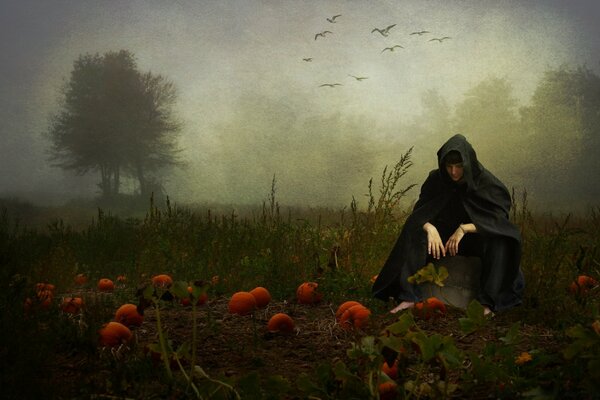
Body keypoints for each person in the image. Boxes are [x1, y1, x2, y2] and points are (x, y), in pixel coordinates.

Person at [372, 134, 524, 315]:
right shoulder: (437, 180)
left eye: (459, 166)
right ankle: (409, 298)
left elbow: (499, 223)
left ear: (468, 164)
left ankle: (487, 305)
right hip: (442, 243)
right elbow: (418, 215)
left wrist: (464, 228)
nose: (453, 172)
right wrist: (429, 228)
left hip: (476, 242)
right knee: (417, 233)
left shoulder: (487, 183)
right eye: (449, 166)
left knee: (500, 241)